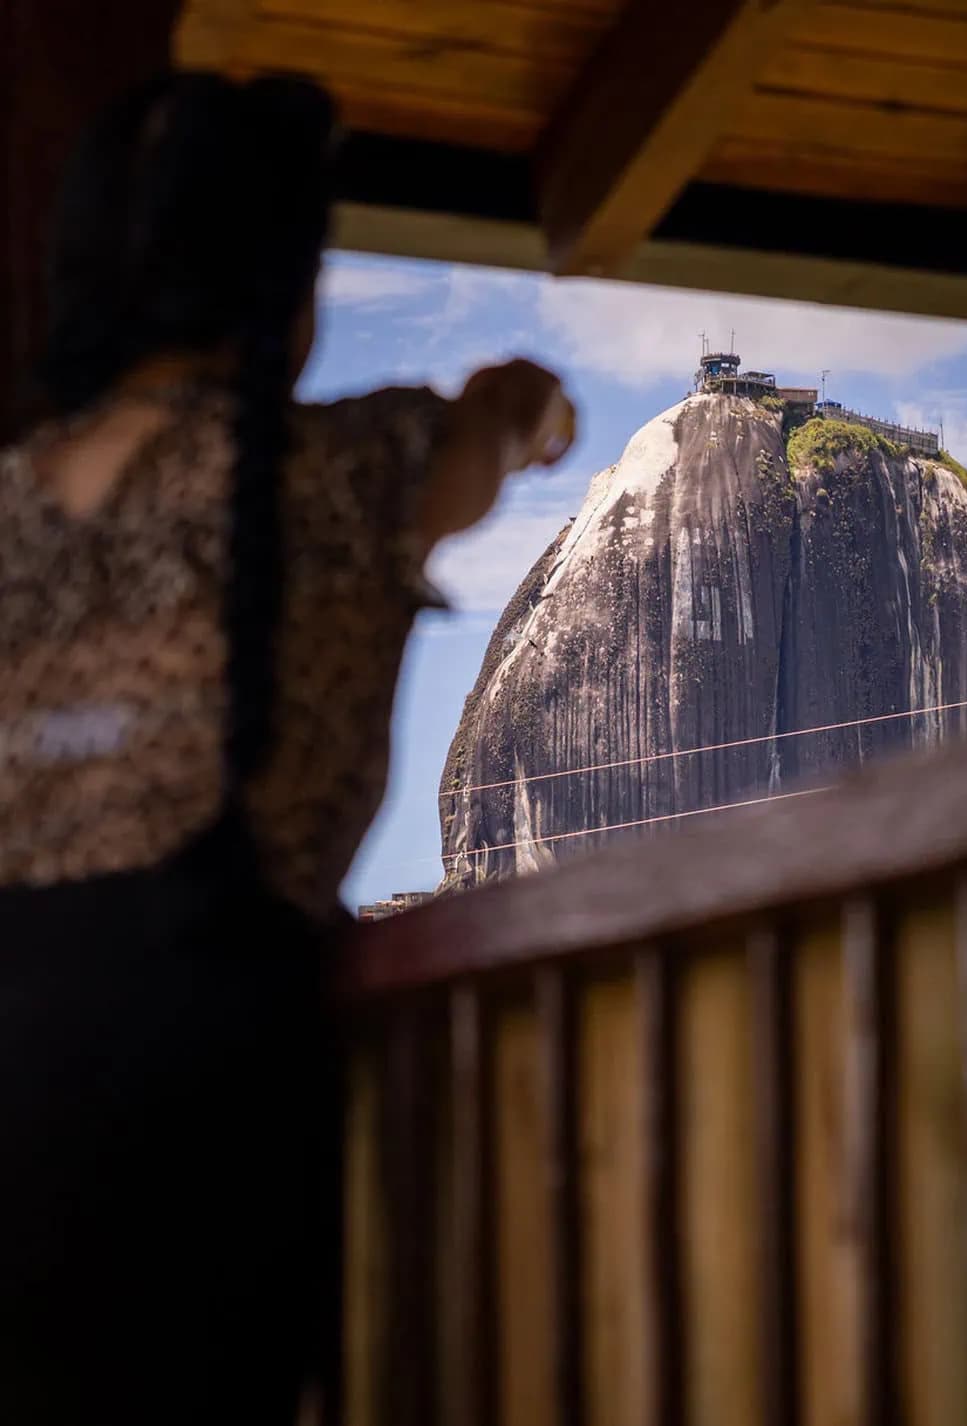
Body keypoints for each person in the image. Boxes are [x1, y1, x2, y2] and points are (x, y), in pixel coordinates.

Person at [0, 71, 573, 1426]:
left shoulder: (15, 503)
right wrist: (531, 414)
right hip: (191, 1106)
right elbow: (510, 413)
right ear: (288, 291)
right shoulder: (355, 466)